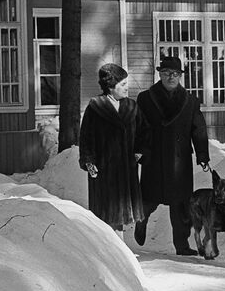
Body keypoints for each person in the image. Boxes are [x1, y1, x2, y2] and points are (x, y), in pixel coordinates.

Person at [134, 55, 210, 255]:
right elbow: (138, 127)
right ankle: (141, 221)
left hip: (179, 159)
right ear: (160, 74)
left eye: (175, 74)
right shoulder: (145, 98)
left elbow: (198, 129)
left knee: (182, 204)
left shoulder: (190, 101)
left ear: (180, 76)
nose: (171, 77)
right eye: (167, 73)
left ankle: (182, 246)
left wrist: (202, 155)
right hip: (154, 157)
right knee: (149, 199)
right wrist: (139, 151)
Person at [78, 63, 145, 233]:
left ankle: (118, 243)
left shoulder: (132, 106)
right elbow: (86, 137)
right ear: (111, 86)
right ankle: (107, 245)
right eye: (123, 84)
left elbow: (144, 131)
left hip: (126, 167)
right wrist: (89, 161)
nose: (127, 87)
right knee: (106, 214)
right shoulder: (95, 107)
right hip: (104, 169)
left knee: (122, 214)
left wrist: (139, 151)